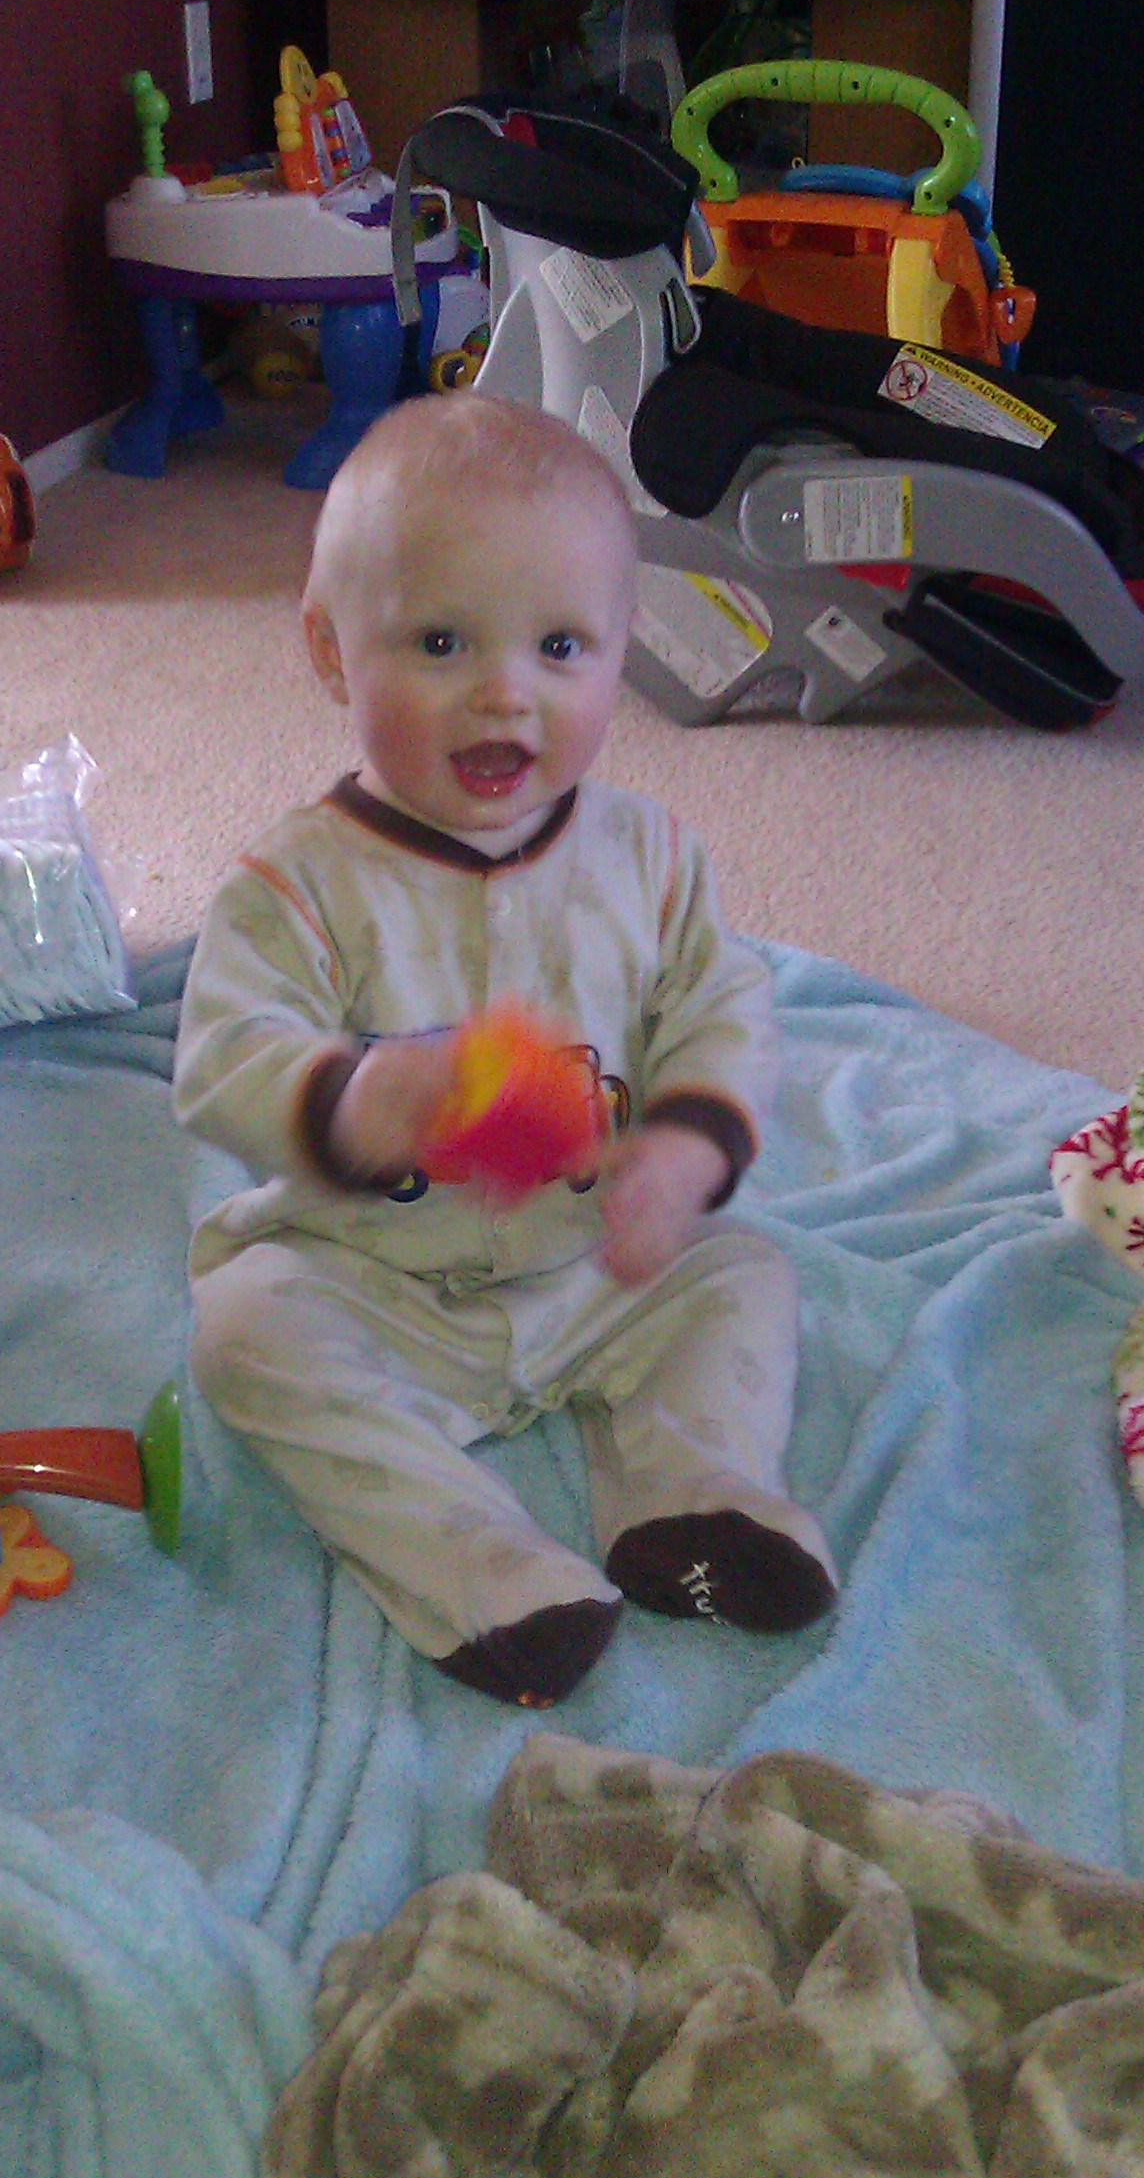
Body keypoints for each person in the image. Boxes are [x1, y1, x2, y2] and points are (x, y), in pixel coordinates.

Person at [172, 393, 837, 1706]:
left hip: (599, 1265)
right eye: (439, 642)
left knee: (746, 1272)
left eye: (560, 647)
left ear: (621, 651)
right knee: (242, 1332)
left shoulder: (652, 859)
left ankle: (689, 1497)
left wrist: (684, 1151)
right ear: (328, 649)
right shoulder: (294, 885)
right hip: (371, 1277)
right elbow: (222, 1056)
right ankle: (481, 1568)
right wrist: (359, 1097)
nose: (503, 693)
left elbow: (722, 1005)